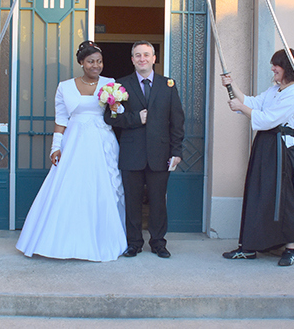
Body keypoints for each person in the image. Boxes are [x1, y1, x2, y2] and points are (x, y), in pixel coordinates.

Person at [16, 41, 127, 262]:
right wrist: (55, 147)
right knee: (70, 187)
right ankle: (59, 241)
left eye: (99, 61)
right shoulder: (65, 87)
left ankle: (104, 239)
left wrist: (116, 107)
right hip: (75, 141)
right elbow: (61, 119)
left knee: (102, 187)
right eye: (91, 62)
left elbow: (119, 114)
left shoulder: (110, 83)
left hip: (102, 140)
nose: (96, 66)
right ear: (81, 63)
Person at [220, 49, 294, 266]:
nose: (272, 69)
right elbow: (253, 102)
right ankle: (249, 247)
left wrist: (241, 108)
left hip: (279, 147)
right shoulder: (276, 90)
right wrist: (232, 86)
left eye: (276, 65)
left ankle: (291, 248)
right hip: (264, 143)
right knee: (257, 190)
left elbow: (269, 119)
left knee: (281, 193)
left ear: (287, 67)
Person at [104, 41, 185, 259]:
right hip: (132, 154)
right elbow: (110, 117)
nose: (142, 59)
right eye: (138, 55)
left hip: (160, 154)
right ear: (132, 59)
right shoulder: (120, 85)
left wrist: (176, 151)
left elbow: (177, 121)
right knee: (133, 201)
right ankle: (134, 243)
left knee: (158, 202)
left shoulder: (168, 85)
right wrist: (135, 119)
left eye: (146, 55)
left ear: (154, 58)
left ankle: (158, 243)